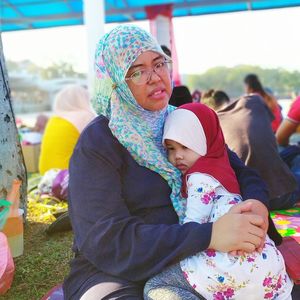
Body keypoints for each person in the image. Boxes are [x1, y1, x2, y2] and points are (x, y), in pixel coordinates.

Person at [63, 25, 277, 300]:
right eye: (137, 71)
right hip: (119, 270)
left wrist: (256, 205)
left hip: (203, 258)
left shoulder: (186, 121)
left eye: (159, 63)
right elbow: (107, 240)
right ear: (115, 80)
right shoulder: (98, 142)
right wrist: (208, 235)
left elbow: (243, 174)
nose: (154, 77)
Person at [144, 103, 292, 300]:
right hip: (268, 268)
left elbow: (193, 226)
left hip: (227, 266)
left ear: (203, 142)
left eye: (186, 146)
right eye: (170, 148)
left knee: (156, 286)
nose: (177, 155)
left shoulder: (199, 178)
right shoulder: (224, 167)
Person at [206, 91, 299, 210]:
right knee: (293, 155)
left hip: (250, 199)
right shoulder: (252, 100)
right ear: (228, 101)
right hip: (282, 195)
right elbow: (274, 134)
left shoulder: (211, 127)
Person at [39, 84, 96, 175]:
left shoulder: (54, 119)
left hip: (45, 175)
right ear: (82, 99)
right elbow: (98, 147)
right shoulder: (85, 116)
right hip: (66, 177)